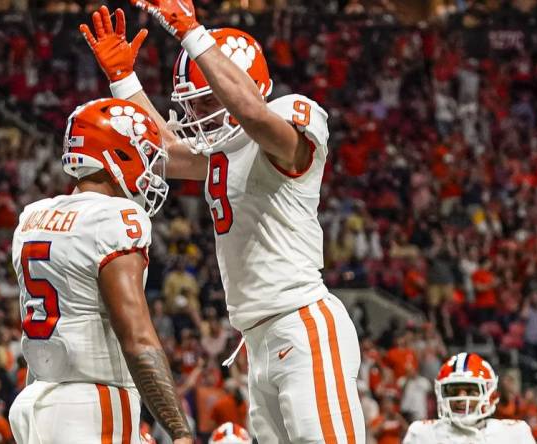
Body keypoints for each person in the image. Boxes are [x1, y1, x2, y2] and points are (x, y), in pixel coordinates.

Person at [81, 3, 364, 442]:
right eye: (196, 104)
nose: (201, 114)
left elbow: (253, 116)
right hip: (257, 337)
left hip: (303, 322)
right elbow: (168, 153)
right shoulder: (226, 152)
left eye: (210, 99)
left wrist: (192, 33)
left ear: (249, 84)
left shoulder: (290, 117)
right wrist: (125, 80)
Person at [8, 97, 192, 444]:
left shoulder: (32, 218)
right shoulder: (116, 219)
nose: (149, 169)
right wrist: (180, 432)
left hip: (34, 401)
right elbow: (137, 338)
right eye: (145, 155)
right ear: (117, 155)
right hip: (92, 403)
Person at [402, 353, 535, 443]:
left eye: (471, 391)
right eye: (453, 391)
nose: (461, 398)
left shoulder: (514, 433)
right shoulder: (422, 433)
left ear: (490, 394)